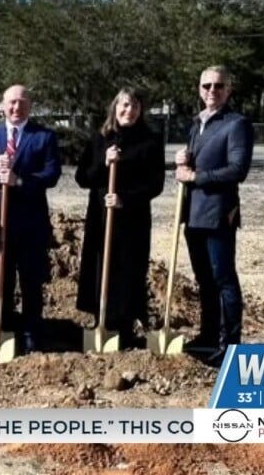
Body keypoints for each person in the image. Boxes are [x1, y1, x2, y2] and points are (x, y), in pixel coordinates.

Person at [0, 84, 62, 354]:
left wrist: (20, 180)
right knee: (2, 282)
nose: (16, 107)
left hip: (31, 224)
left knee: (32, 283)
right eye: (11, 102)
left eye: (21, 102)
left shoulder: (44, 137)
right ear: (2, 105)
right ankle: (4, 331)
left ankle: (32, 336)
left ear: (29, 106)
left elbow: (52, 174)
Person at [175, 65, 254, 364]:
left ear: (228, 89)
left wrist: (195, 176)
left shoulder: (236, 124)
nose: (212, 91)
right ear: (199, 89)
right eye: (206, 86)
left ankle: (230, 344)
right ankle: (208, 335)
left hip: (219, 212)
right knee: (203, 279)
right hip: (193, 214)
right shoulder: (197, 124)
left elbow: (238, 169)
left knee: (223, 279)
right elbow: (190, 167)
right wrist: (182, 162)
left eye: (218, 86)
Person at [75, 88, 165, 347]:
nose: (129, 111)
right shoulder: (100, 139)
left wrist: (125, 198)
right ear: (115, 108)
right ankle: (100, 320)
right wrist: (103, 162)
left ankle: (123, 327)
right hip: (101, 216)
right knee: (99, 264)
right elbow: (83, 178)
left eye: (135, 106)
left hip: (132, 218)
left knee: (127, 268)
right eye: (125, 105)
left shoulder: (150, 140)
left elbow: (155, 183)